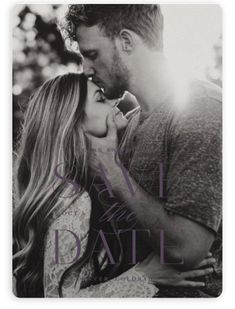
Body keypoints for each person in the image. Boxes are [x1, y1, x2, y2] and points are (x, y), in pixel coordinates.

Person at [61, 4, 222, 297]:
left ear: (126, 41)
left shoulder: (202, 111)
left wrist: (112, 170)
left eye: (92, 54)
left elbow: (187, 250)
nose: (85, 69)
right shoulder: (129, 122)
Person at [13, 73, 215, 297]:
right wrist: (146, 276)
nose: (114, 99)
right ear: (73, 124)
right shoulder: (73, 198)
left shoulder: (82, 185)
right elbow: (57, 298)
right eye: (100, 99)